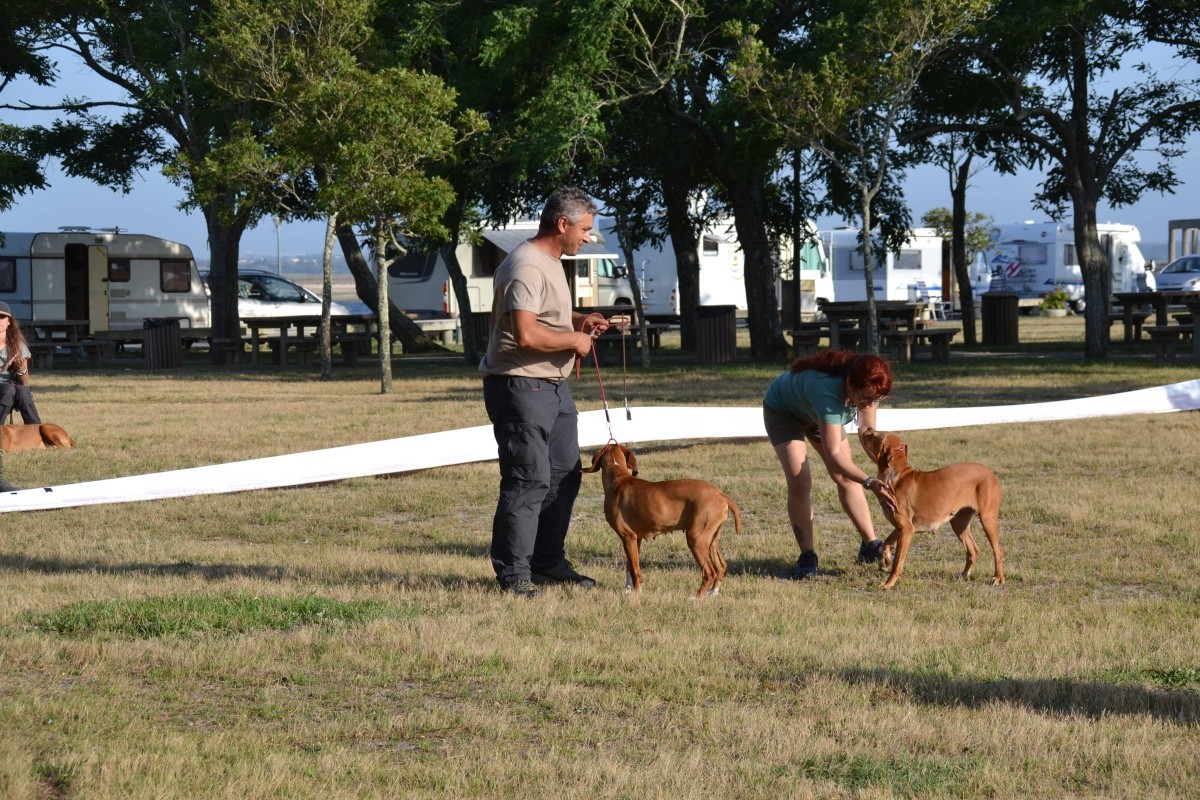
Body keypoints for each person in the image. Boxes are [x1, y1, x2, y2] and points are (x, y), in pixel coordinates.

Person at [479, 187, 611, 597]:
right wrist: (574, 340)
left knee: (564, 475)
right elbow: (525, 333)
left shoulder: (549, 262)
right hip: (521, 385)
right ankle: (515, 575)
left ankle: (547, 563)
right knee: (528, 479)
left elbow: (543, 315)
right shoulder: (527, 265)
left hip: (552, 386)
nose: (588, 237)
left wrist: (579, 320)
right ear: (562, 223)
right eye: (585, 229)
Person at [762, 350, 898, 578]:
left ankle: (870, 545)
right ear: (850, 384)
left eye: (874, 400)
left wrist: (886, 469)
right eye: (865, 399)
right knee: (800, 482)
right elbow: (835, 455)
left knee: (845, 476)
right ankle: (807, 555)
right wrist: (869, 482)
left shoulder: (871, 388)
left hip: (816, 411)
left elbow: (867, 432)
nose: (868, 405)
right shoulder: (826, 390)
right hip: (784, 411)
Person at [0, 303, 41, 426]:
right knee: (9, 390)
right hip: (6, 389)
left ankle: (36, 429)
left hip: (12, 386)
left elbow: (24, 381)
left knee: (22, 391)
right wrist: (4, 366)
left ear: (9, 321)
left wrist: (21, 369)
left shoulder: (17, 345)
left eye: (2, 317)